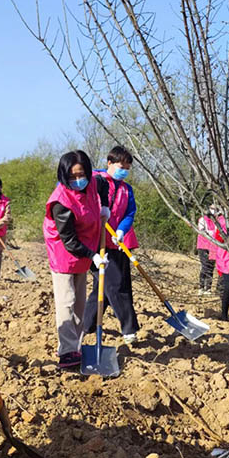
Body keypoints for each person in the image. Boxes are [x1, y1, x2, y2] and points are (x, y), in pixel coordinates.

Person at [43, 150, 109, 369]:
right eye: (72, 177)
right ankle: (67, 351)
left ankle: (77, 345)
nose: (78, 180)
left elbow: (104, 185)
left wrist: (105, 206)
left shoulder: (93, 182)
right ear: (64, 176)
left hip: (85, 248)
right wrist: (94, 256)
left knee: (80, 303)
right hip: (64, 252)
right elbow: (69, 241)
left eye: (81, 174)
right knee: (67, 301)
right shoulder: (60, 202)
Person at [82, 146, 141, 344]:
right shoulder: (94, 180)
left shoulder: (126, 189)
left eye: (127, 167)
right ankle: (129, 328)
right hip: (97, 244)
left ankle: (86, 325)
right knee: (116, 286)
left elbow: (129, 213)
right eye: (120, 166)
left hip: (117, 243)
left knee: (102, 287)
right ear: (109, 163)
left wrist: (122, 230)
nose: (123, 170)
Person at [195, 206, 219, 295]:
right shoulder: (202, 220)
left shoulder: (217, 221)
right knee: (205, 266)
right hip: (203, 246)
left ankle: (208, 288)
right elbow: (203, 232)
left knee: (211, 267)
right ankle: (201, 287)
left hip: (213, 246)